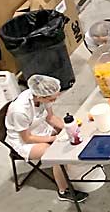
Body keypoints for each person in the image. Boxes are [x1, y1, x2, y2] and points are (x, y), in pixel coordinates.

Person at [5, 75, 88, 203]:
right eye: (52, 98)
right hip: (24, 140)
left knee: (71, 136)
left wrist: (69, 128)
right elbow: (27, 138)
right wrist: (53, 138)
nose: (55, 99)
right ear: (40, 97)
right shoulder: (20, 111)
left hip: (40, 129)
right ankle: (63, 191)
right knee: (56, 154)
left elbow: (50, 118)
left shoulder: (42, 95)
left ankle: (73, 170)